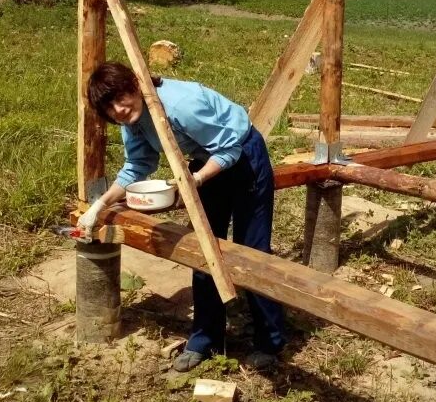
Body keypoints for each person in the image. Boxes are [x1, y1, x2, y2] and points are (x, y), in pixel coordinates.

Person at [77, 61, 286, 372]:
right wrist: (100, 205)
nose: (118, 110)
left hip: (244, 158)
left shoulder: (181, 105)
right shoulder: (132, 120)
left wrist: (197, 180)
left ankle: (270, 339)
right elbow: (137, 165)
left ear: (135, 86)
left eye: (120, 98)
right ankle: (206, 338)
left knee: (252, 251)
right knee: (204, 249)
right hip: (205, 163)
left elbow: (230, 150)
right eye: (109, 107)